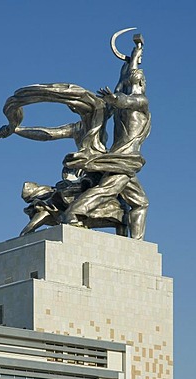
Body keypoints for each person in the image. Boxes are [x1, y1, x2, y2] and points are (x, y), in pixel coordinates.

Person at [63, 43, 151, 240]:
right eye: (142, 80)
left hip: (124, 159)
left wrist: (134, 58)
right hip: (125, 158)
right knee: (107, 190)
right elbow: (127, 99)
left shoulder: (122, 106)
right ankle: (73, 213)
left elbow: (122, 86)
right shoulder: (140, 102)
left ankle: (136, 244)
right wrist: (116, 97)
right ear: (142, 83)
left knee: (140, 202)